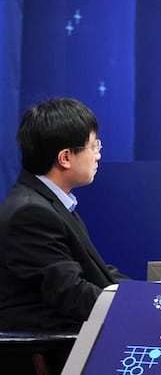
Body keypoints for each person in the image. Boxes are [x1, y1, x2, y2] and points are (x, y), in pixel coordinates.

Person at [0, 97, 128, 331]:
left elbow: (96, 272)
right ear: (66, 158)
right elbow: (70, 293)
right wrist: (135, 307)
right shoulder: (31, 213)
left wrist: (151, 294)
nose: (98, 155)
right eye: (93, 146)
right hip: (48, 347)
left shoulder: (47, 202)